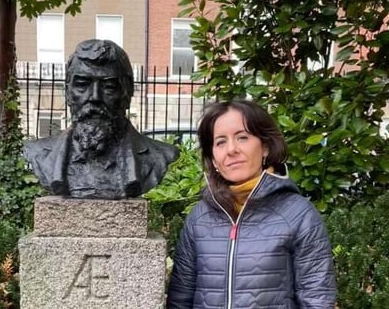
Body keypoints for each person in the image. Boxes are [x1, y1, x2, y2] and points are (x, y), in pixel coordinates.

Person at [166, 99, 336, 308]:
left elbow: (317, 299)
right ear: (213, 159)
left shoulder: (298, 214)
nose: (231, 149)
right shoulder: (199, 218)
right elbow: (180, 300)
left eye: (242, 137)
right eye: (220, 142)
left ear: (265, 147)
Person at [24, 39, 179, 199]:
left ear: (127, 94)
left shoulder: (158, 156)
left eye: (109, 86)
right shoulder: (39, 154)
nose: (95, 97)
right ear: (68, 93)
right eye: (83, 85)